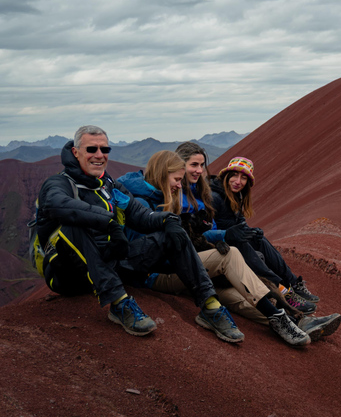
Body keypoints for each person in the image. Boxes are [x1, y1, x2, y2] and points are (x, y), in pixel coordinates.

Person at [35, 125, 242, 342]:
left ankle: (210, 305)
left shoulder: (108, 185)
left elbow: (141, 216)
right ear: (76, 152)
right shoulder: (58, 183)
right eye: (91, 149)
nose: (99, 155)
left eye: (104, 150)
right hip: (70, 274)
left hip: (112, 264)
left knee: (173, 231)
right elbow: (57, 205)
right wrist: (108, 223)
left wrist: (168, 220)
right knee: (72, 226)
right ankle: (119, 304)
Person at [118, 150, 340, 345]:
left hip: (181, 267)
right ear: (161, 174)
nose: (180, 184)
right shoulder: (143, 205)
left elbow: (189, 235)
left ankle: (294, 322)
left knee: (234, 296)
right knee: (231, 256)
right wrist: (198, 257)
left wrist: (212, 240)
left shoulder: (167, 197)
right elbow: (147, 252)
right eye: (177, 179)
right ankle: (289, 317)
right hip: (158, 275)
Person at [174, 143, 317, 314]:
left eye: (243, 178)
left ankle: (292, 283)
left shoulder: (234, 197)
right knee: (243, 245)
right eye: (234, 176)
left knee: (259, 239)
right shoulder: (214, 197)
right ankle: (284, 292)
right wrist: (227, 235)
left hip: (221, 242)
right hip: (213, 248)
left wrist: (250, 232)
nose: (238, 181)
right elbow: (205, 230)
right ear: (226, 176)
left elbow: (237, 224)